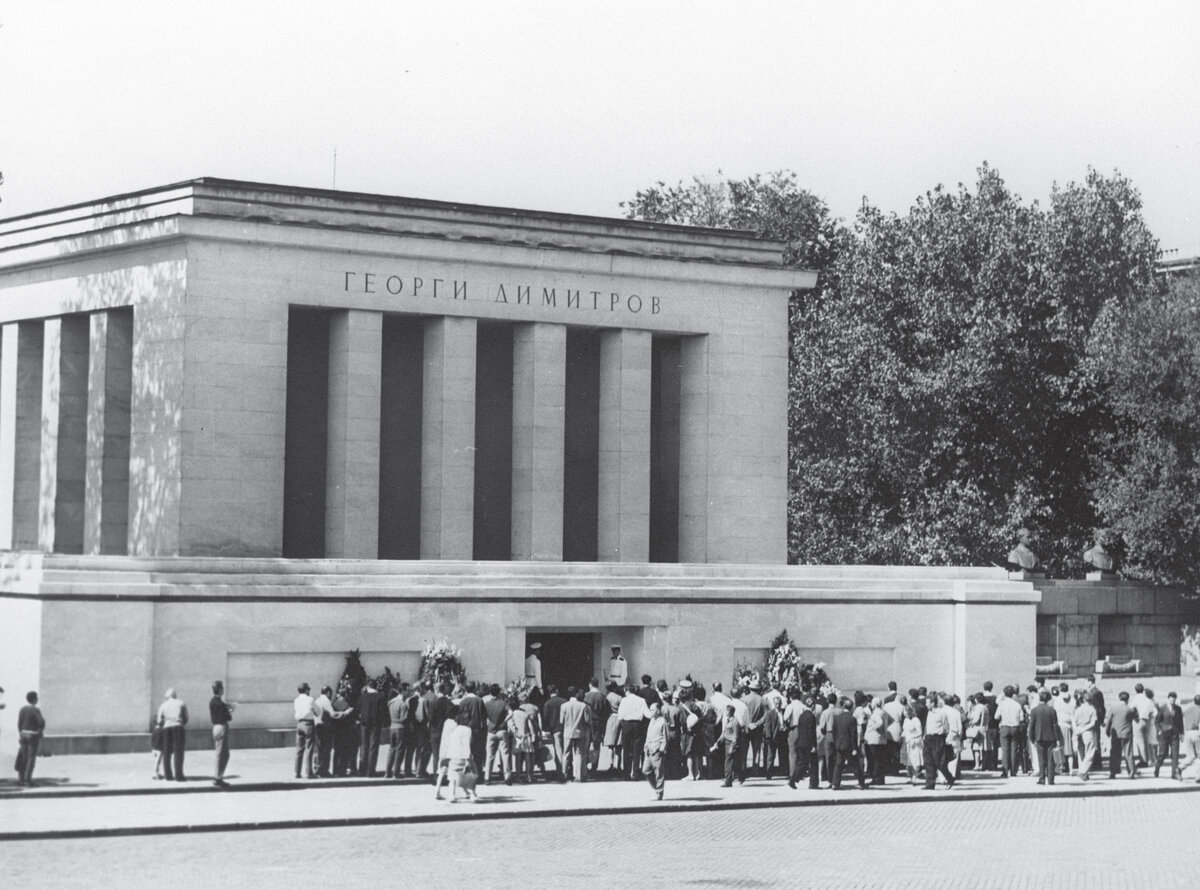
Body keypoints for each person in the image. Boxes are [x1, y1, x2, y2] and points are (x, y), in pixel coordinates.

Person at [830, 697, 867, 790]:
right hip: (849, 746)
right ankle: (861, 782)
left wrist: (836, 742)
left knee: (838, 765)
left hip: (839, 744)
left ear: (843, 706)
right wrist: (855, 748)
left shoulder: (837, 717)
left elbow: (834, 731)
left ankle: (835, 783)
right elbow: (853, 735)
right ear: (851, 708)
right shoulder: (852, 719)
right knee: (855, 765)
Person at [785, 691, 819, 789]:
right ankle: (812, 783)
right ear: (812, 705)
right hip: (808, 743)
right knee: (811, 764)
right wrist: (813, 745)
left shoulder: (802, 716)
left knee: (802, 763)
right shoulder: (811, 716)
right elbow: (811, 732)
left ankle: (795, 780)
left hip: (802, 742)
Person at [1028, 690, 1062, 785]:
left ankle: (1042, 778)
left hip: (1038, 737)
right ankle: (1051, 779)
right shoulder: (1052, 710)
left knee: (1041, 758)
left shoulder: (1034, 710)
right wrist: (1057, 738)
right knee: (1050, 759)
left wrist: (1031, 738)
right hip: (1051, 737)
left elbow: (1032, 725)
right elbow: (1055, 725)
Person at [922, 694, 956, 790]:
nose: (926, 704)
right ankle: (930, 784)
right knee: (928, 761)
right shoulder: (928, 713)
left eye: (927, 702)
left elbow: (946, 728)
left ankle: (950, 778)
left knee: (939, 762)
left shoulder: (942, 713)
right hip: (928, 738)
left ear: (932, 703)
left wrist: (943, 738)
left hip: (938, 739)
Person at [560, 687, 593, 782]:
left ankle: (564, 775)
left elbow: (561, 721)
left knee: (566, 753)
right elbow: (587, 720)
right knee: (579, 754)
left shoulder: (564, 706)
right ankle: (579, 776)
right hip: (580, 732)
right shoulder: (583, 706)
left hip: (567, 732)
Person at [618, 683, 649, 780]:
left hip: (627, 724)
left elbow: (620, 716)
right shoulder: (641, 700)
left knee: (626, 749)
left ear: (627, 690)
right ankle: (635, 773)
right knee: (637, 750)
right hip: (637, 725)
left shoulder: (624, 700)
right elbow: (647, 714)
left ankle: (626, 774)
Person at [157, 687, 189, 782]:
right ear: (175, 695)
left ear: (167, 696)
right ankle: (179, 776)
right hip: (178, 727)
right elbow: (186, 718)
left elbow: (159, 720)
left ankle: (168, 775)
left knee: (166, 752)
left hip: (167, 728)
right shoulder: (181, 703)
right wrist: (181, 722)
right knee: (179, 752)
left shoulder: (163, 705)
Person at [483, 683, 512, 785]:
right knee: (505, 754)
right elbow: (511, 713)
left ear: (490, 692)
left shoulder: (486, 704)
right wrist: (504, 721)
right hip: (502, 731)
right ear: (499, 692)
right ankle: (507, 776)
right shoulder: (503, 703)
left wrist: (489, 723)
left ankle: (487, 777)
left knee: (490, 756)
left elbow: (484, 717)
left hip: (491, 732)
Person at [1104, 690, 1138, 778]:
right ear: (1128, 699)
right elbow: (1137, 720)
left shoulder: (1113, 708)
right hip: (1127, 734)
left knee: (1114, 753)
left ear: (1119, 698)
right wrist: (1136, 711)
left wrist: (1107, 731)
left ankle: (1113, 772)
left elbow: (1109, 721)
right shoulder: (1130, 709)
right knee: (1129, 753)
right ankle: (1131, 771)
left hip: (1116, 734)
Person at [16, 691, 46, 787]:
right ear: (34, 699)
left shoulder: (22, 709)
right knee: (31, 758)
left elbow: (19, 724)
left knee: (23, 757)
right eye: (37, 697)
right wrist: (40, 732)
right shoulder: (35, 710)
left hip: (23, 734)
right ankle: (27, 781)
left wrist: (21, 732)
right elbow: (41, 722)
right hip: (32, 736)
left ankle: (21, 780)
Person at [209, 680, 234, 787]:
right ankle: (217, 778)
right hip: (221, 727)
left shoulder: (213, 701)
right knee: (222, 754)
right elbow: (228, 717)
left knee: (223, 753)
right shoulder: (220, 703)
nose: (223, 689)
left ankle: (219, 776)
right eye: (222, 688)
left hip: (215, 727)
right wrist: (231, 710)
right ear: (219, 690)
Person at [713, 703, 744, 787]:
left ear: (730, 712)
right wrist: (717, 743)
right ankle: (741, 776)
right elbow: (724, 733)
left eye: (727, 710)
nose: (725, 712)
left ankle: (728, 781)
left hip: (732, 744)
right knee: (734, 763)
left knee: (728, 762)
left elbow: (735, 736)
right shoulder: (728, 721)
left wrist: (732, 747)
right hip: (727, 743)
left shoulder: (735, 722)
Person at [1154, 691, 1184, 780]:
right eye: (1171, 700)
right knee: (1163, 753)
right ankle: (1157, 767)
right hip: (1164, 733)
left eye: (1174, 700)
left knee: (1175, 754)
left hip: (1175, 733)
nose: (1173, 702)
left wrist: (1182, 733)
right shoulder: (1162, 708)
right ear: (1168, 699)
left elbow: (1180, 722)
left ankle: (1174, 774)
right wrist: (1159, 730)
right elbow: (1156, 721)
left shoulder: (1178, 709)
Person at [996, 686, 1024, 778]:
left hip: (1004, 727)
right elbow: (1022, 718)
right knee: (1014, 749)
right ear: (1013, 694)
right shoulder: (1017, 705)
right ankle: (1013, 771)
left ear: (1004, 693)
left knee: (1005, 750)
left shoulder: (1002, 704)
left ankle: (1005, 770)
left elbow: (996, 716)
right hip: (1015, 728)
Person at [384, 682, 411, 780]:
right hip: (400, 728)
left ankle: (387, 772)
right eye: (407, 690)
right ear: (403, 691)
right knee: (400, 750)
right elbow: (404, 718)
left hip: (392, 726)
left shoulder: (391, 702)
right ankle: (396, 772)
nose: (408, 692)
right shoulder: (403, 704)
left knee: (391, 749)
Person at [643, 700, 668, 800]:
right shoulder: (651, 721)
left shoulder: (663, 721)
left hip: (657, 750)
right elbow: (648, 734)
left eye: (652, 710)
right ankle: (656, 787)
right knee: (646, 770)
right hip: (649, 749)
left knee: (659, 772)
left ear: (658, 710)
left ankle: (659, 792)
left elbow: (666, 737)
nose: (651, 711)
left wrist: (662, 748)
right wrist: (646, 744)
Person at [583, 678, 609, 775]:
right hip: (599, 722)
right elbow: (605, 711)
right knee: (596, 745)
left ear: (590, 685)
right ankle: (594, 766)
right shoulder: (602, 696)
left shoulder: (585, 696)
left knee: (586, 744)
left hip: (587, 723)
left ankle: (585, 764)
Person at [1072, 690, 1097, 781]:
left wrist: (1076, 730)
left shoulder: (1078, 709)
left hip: (1078, 730)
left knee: (1081, 753)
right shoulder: (1092, 709)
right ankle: (1083, 771)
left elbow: (1073, 721)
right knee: (1090, 752)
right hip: (1088, 731)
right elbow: (1093, 723)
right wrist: (1084, 729)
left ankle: (1082, 771)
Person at [293, 683, 316, 779]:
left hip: (299, 724)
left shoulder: (296, 700)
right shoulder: (310, 699)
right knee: (309, 749)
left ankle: (297, 772)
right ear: (306, 690)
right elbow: (318, 711)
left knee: (299, 749)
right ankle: (309, 772)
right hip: (308, 724)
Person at [901, 705, 924, 785]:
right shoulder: (906, 720)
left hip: (914, 742)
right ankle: (911, 777)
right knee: (908, 762)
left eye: (907, 711)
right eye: (905, 711)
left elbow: (920, 732)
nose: (906, 713)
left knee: (914, 761)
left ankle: (914, 778)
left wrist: (912, 737)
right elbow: (905, 730)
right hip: (906, 742)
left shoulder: (916, 720)